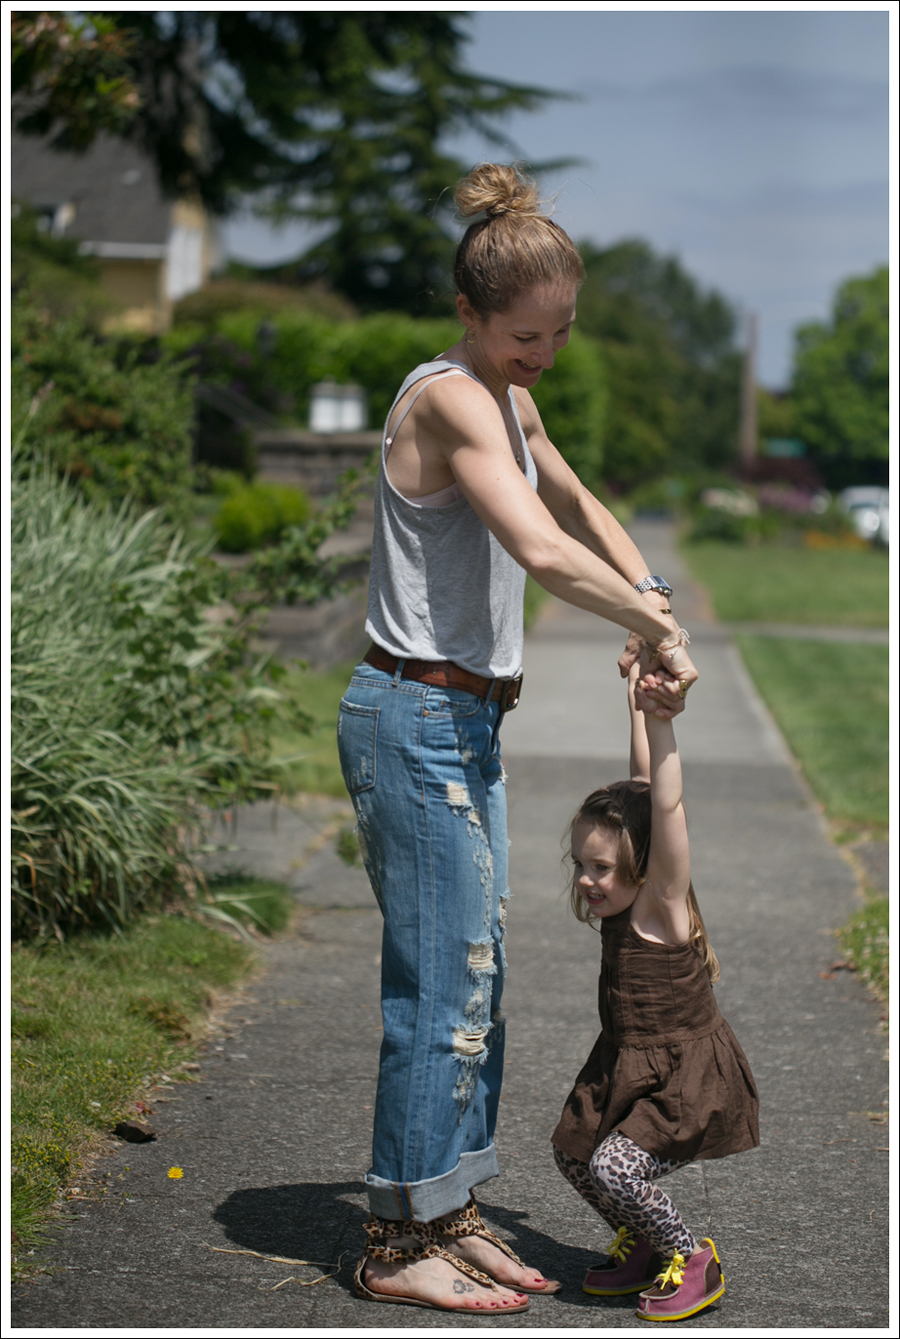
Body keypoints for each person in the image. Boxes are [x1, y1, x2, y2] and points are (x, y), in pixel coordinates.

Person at [337, 161, 699, 1315]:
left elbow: (581, 506)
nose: (540, 352)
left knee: (477, 989)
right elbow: (541, 549)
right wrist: (650, 621)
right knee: (441, 988)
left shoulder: (507, 396)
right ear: (471, 314)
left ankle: (448, 1207)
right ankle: (396, 1243)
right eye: (523, 333)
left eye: (558, 333)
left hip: (468, 720)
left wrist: (652, 596)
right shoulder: (447, 394)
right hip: (415, 715)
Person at [551, 661, 759, 1322]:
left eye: (602, 867)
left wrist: (665, 721)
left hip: (681, 1075)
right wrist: (637, 694)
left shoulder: (661, 906)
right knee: (574, 1151)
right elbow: (640, 785)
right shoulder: (626, 898)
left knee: (615, 1169)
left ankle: (691, 1255)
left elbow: (663, 804)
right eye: (579, 864)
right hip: (626, 1059)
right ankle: (645, 1244)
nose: (587, 879)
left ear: (645, 864)